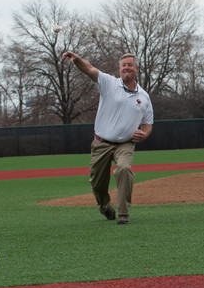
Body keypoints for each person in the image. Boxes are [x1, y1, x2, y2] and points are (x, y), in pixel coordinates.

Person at [63, 51, 154, 225]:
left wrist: (144, 134)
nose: (126, 68)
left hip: (125, 144)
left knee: (124, 169)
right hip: (101, 143)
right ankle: (105, 207)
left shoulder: (144, 97)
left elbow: (147, 124)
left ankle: (123, 214)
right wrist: (76, 60)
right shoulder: (109, 83)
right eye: (123, 65)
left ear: (137, 68)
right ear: (119, 68)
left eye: (129, 65)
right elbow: (89, 69)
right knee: (97, 184)